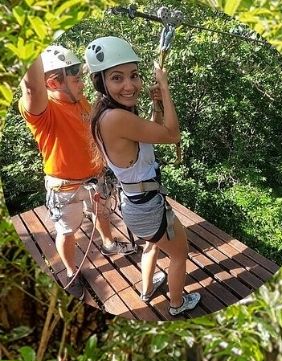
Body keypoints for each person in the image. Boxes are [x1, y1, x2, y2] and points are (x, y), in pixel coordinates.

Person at [86, 36, 200, 316]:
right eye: (117, 78)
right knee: (178, 254)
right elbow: (172, 136)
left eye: (134, 75)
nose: (129, 85)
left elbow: (151, 133)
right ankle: (176, 305)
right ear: (102, 82)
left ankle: (147, 289)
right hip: (147, 205)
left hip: (136, 204)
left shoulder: (108, 113)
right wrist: (165, 87)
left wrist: (157, 104)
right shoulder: (116, 118)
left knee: (152, 245)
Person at [19, 45, 135, 283]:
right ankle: (72, 272)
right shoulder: (44, 112)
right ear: (53, 83)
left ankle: (109, 243)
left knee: (101, 213)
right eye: (76, 79)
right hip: (66, 188)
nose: (82, 84)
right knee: (67, 231)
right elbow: (32, 87)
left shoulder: (80, 101)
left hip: (95, 178)